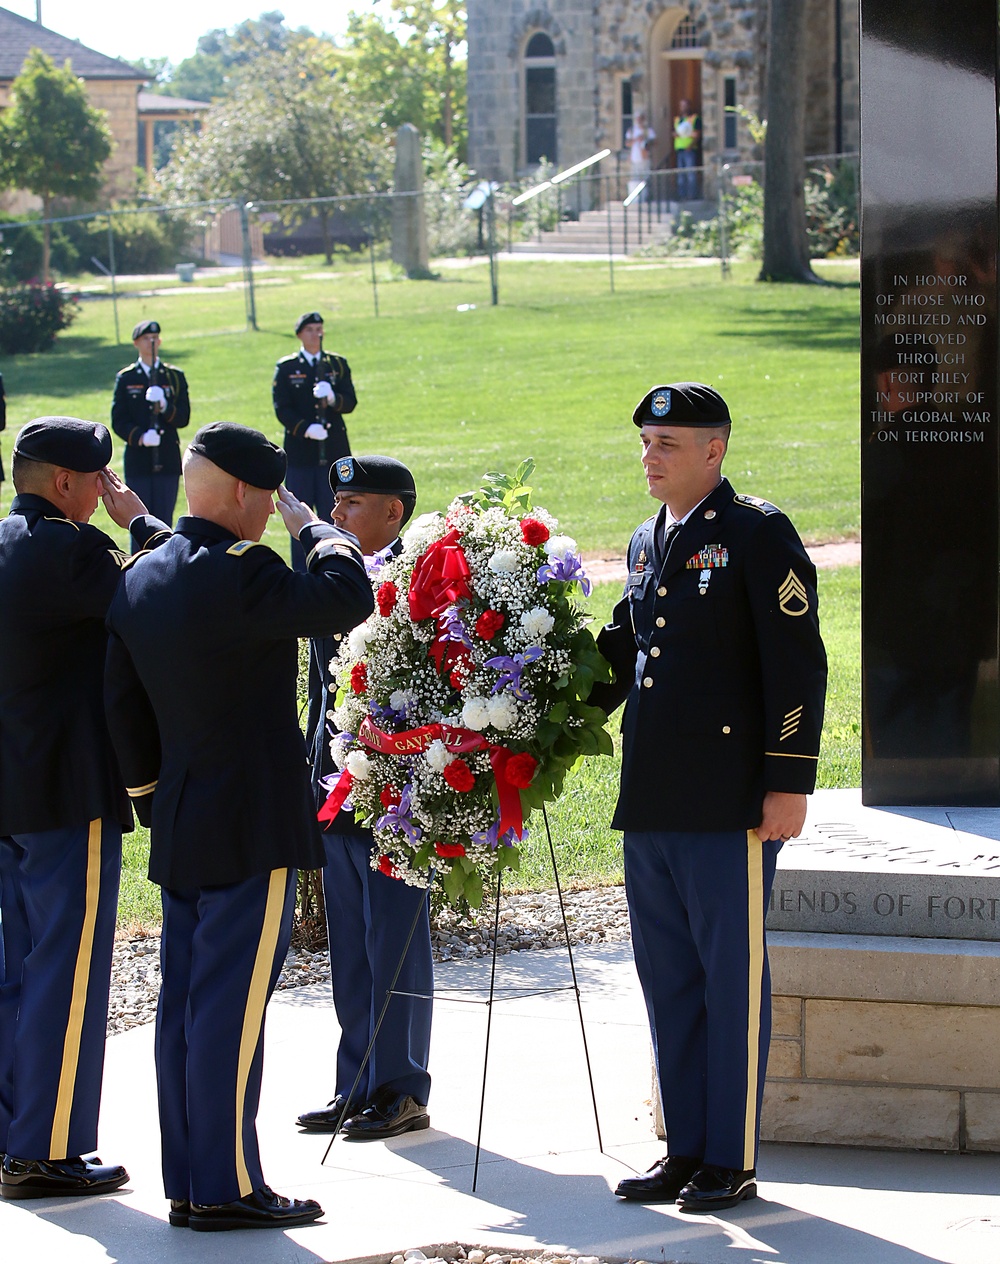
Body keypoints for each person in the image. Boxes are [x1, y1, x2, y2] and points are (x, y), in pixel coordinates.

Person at [104, 422, 374, 1232]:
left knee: (185, 1007)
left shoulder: (142, 576)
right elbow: (345, 596)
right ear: (251, 498)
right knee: (231, 1011)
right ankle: (224, 1188)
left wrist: (154, 794)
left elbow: (122, 707)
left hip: (181, 817)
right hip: (250, 823)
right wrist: (316, 529)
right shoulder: (248, 570)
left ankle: (192, 1180)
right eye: (270, 501)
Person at [592, 383, 826, 1213]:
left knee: (731, 983)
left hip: (730, 802)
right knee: (669, 981)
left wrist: (789, 781)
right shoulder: (647, 539)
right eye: (646, 442)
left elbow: (797, 665)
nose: (649, 457)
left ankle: (731, 1157)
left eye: (667, 444)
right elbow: (624, 650)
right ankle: (684, 1147)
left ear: (713, 451)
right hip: (652, 798)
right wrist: (536, 716)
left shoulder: (757, 533)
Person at [0, 417, 169, 1200]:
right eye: (98, 478)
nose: (104, 489)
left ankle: (12, 1133)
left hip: (10, 788)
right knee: (66, 974)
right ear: (66, 484)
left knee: (16, 972)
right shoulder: (73, 550)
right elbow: (167, 590)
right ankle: (48, 1147)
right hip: (66, 790)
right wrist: (137, 519)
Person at [296, 455, 433, 1142]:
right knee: (350, 942)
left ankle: (401, 1085)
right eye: (336, 503)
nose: (339, 516)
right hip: (337, 783)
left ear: (393, 513)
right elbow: (319, 689)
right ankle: (356, 1080)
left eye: (353, 504)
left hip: (401, 792)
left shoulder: (427, 581)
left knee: (396, 941)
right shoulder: (337, 575)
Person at [272, 311, 357, 571]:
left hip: (333, 452)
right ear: (300, 334)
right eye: (310, 329)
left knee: (337, 512)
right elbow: (282, 408)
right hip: (302, 453)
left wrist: (333, 398)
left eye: (319, 328)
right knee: (301, 513)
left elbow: (350, 401)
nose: (316, 334)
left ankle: (337, 567)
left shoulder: (337, 364)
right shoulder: (287, 368)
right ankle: (302, 571)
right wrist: (306, 428)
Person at [111, 319, 191, 529]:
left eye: (155, 338)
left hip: (166, 457)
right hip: (139, 460)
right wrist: (140, 437)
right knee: (140, 523)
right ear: (136, 343)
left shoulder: (174, 377)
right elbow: (119, 421)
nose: (151, 343)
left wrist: (165, 406)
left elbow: (183, 417)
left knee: (164, 522)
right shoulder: (126, 378)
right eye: (146, 339)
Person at [673, 99, 701, 201]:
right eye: (681, 106)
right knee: (681, 175)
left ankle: (692, 195)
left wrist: (691, 145)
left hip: (690, 150)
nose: (683, 108)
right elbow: (676, 132)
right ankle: (682, 195)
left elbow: (697, 134)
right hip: (679, 150)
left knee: (691, 174)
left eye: (685, 105)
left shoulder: (694, 119)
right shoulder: (677, 120)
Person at [625, 110, 655, 199]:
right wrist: (635, 140)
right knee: (635, 179)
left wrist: (645, 140)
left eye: (641, 119)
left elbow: (654, 142)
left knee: (645, 179)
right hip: (635, 159)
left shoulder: (648, 131)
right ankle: (636, 198)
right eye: (638, 119)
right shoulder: (632, 130)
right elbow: (627, 143)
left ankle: (646, 197)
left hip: (644, 158)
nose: (639, 121)